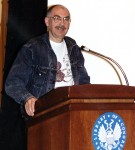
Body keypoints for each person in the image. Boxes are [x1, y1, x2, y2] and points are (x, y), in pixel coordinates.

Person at [0, 4, 90, 150]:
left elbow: (83, 81)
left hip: (73, 114)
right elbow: (12, 83)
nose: (62, 23)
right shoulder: (32, 48)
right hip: (44, 115)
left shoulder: (73, 46)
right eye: (57, 18)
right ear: (47, 22)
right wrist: (28, 98)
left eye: (66, 19)